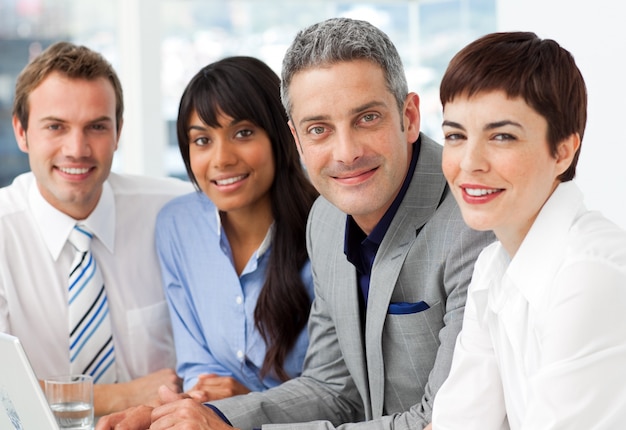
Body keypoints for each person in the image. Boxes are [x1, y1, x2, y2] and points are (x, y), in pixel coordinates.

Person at [96, 17, 494, 430]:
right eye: (319, 129)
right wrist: (202, 417)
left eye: (367, 118)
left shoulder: (473, 221)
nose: (346, 151)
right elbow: (331, 388)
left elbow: (439, 421)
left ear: (409, 116)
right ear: (297, 139)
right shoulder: (325, 220)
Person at [428, 32, 626, 429]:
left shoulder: (591, 273)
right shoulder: (492, 265)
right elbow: (459, 422)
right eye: (455, 136)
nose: (470, 163)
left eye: (502, 136)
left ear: (563, 151)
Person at [0, 41, 191, 417]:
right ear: (21, 132)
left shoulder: (176, 212)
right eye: (55, 126)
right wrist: (123, 396)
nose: (77, 148)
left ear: (119, 131)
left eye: (97, 127)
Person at [154, 56, 317, 402]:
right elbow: (197, 363)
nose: (221, 159)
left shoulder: (328, 232)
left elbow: (339, 394)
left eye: (242, 133)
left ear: (280, 135)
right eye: (202, 140)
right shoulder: (178, 226)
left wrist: (250, 404)